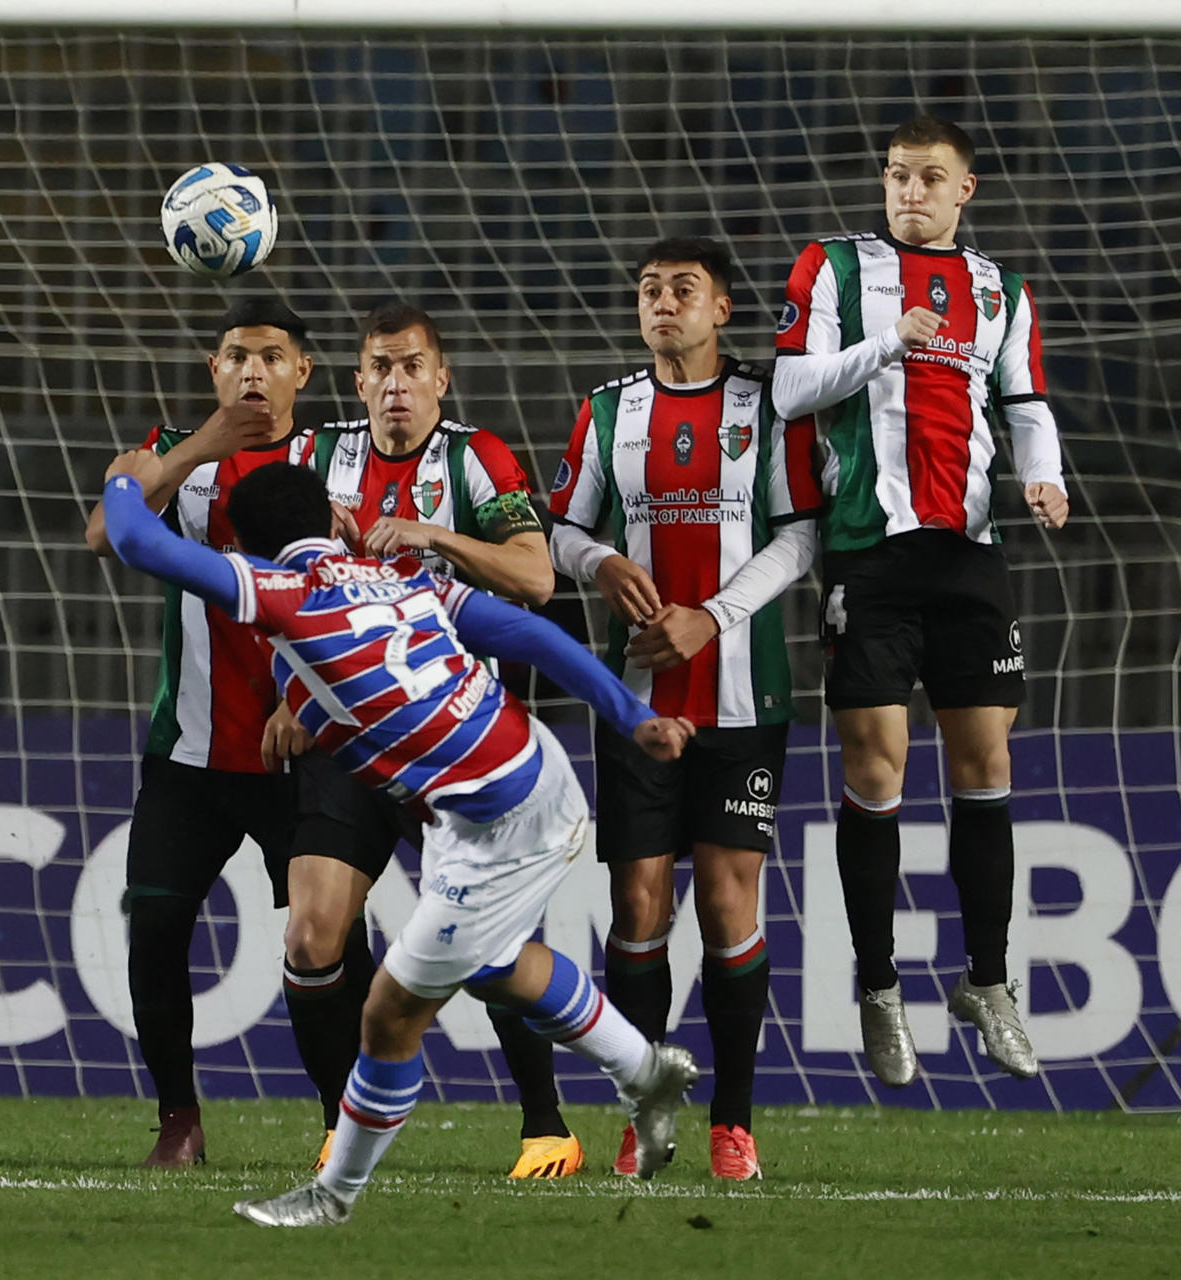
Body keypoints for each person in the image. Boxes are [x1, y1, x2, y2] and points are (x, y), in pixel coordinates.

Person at [101, 455, 699, 1228]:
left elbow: (137, 542)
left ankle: (333, 1195)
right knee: (498, 966)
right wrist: (627, 714)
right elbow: (522, 630)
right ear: (333, 520)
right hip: (520, 774)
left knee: (387, 1015)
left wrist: (126, 477)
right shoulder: (404, 579)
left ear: (246, 550)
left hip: (503, 817)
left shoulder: (283, 592)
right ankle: (647, 1073)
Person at [774, 116, 1069, 1086]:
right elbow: (789, 390)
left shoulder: (1001, 288)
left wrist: (1042, 475)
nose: (910, 191)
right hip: (869, 551)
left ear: (965, 191)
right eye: (897, 175)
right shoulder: (835, 267)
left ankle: (988, 980)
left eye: (930, 177)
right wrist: (886, 345)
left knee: (986, 760)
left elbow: (1023, 401)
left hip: (970, 554)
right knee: (877, 763)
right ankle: (878, 984)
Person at [282, 302, 583, 1179]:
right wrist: (288, 688)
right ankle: (347, 1118)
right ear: (358, 381)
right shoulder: (315, 460)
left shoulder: (475, 459)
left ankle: (547, 1125)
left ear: (441, 380)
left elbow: (536, 576)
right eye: (381, 367)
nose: (397, 384)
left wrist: (432, 535)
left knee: (488, 947)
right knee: (311, 936)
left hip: (457, 743)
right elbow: (273, 583)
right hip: (351, 740)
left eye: (414, 367)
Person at [549, 238, 821, 1179]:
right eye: (649, 291)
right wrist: (604, 562)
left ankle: (733, 1123)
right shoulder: (606, 410)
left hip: (746, 694)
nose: (663, 304)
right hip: (636, 702)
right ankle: (643, 1112)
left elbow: (801, 536)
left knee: (729, 899)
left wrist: (713, 616)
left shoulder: (768, 405)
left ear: (724, 309)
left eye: (683, 291)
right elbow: (561, 531)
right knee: (636, 903)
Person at [83, 296, 313, 1167]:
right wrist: (199, 446)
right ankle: (179, 1121)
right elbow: (104, 531)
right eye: (235, 356)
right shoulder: (173, 453)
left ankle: (342, 1118)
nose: (252, 370)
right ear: (214, 370)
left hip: (305, 746)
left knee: (328, 943)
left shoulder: (334, 458)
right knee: (154, 930)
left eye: (270, 355)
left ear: (302, 372)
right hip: (190, 755)